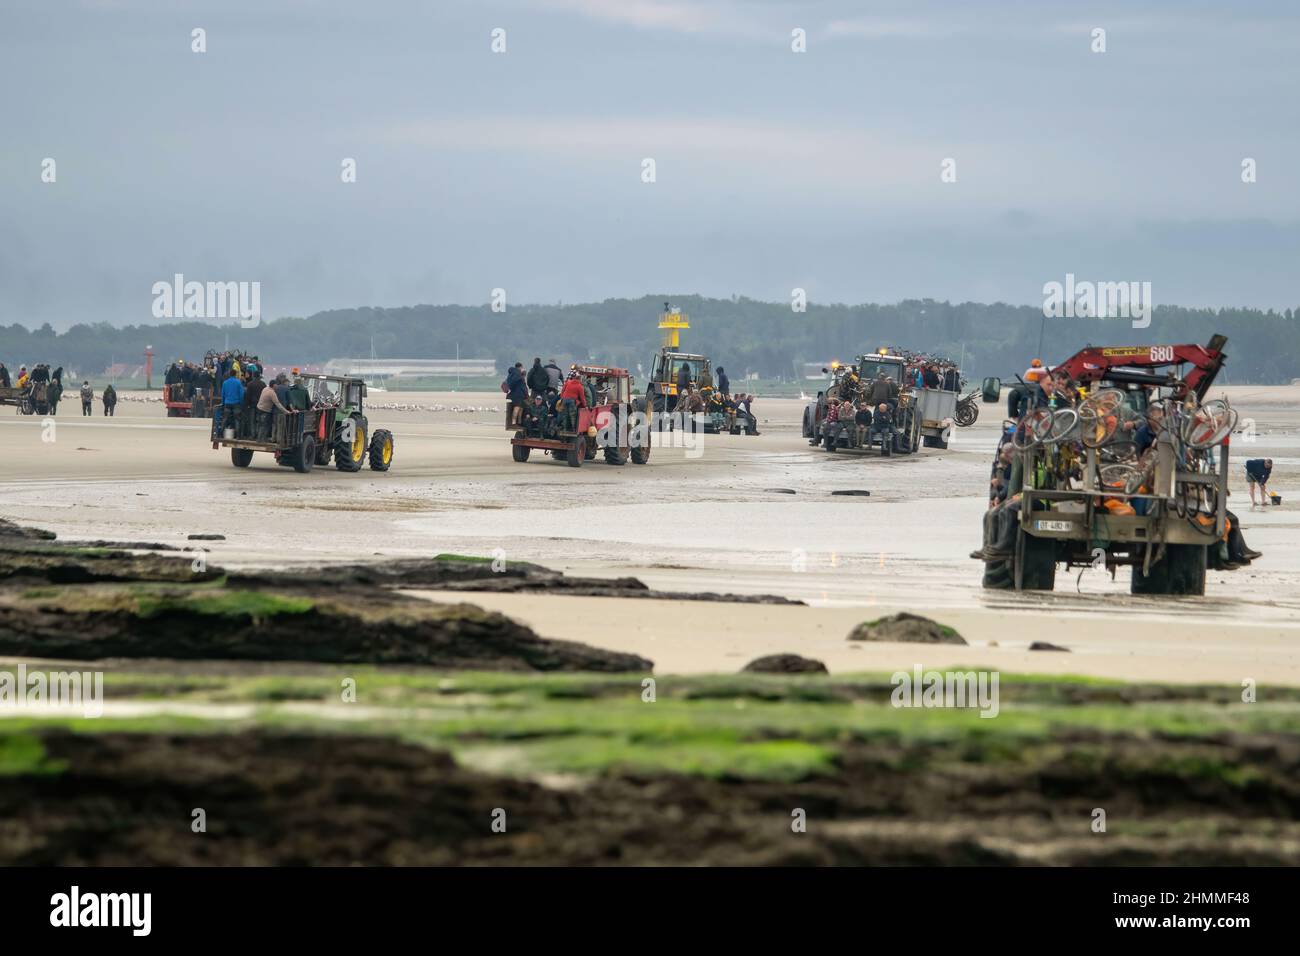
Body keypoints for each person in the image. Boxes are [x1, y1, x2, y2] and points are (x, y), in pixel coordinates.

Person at [256, 375, 289, 441]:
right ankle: (261, 439)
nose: (277, 386)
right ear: (273, 385)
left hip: (259, 408)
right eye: (276, 385)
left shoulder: (265, 388)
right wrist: (286, 411)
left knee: (260, 424)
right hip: (265, 410)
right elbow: (278, 404)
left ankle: (259, 438)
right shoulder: (272, 393)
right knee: (265, 425)